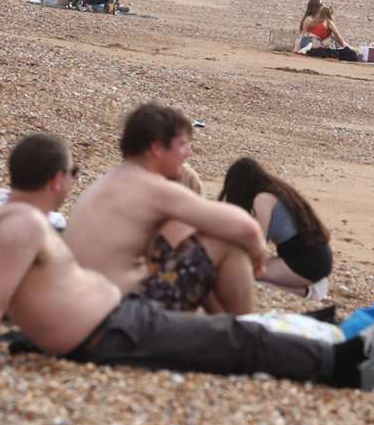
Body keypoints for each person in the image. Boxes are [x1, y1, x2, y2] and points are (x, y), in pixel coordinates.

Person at [0, 131, 374, 395]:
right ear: (58, 180)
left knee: (230, 337)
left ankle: (350, 352)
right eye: (73, 172)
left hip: (116, 321)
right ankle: (350, 368)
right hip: (109, 333)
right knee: (235, 340)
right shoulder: (22, 226)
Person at [63, 102, 266, 316]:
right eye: (182, 145)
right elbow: (246, 228)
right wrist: (258, 251)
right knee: (226, 242)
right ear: (156, 148)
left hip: (81, 311)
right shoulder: (152, 187)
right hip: (118, 317)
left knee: (193, 247)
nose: (188, 153)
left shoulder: (109, 182)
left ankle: (226, 327)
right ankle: (247, 334)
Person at [217, 157, 335, 303]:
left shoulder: (262, 199)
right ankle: (310, 285)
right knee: (250, 273)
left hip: (308, 262)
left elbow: (258, 242)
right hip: (316, 255)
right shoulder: (276, 189)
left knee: (251, 275)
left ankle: (308, 292)